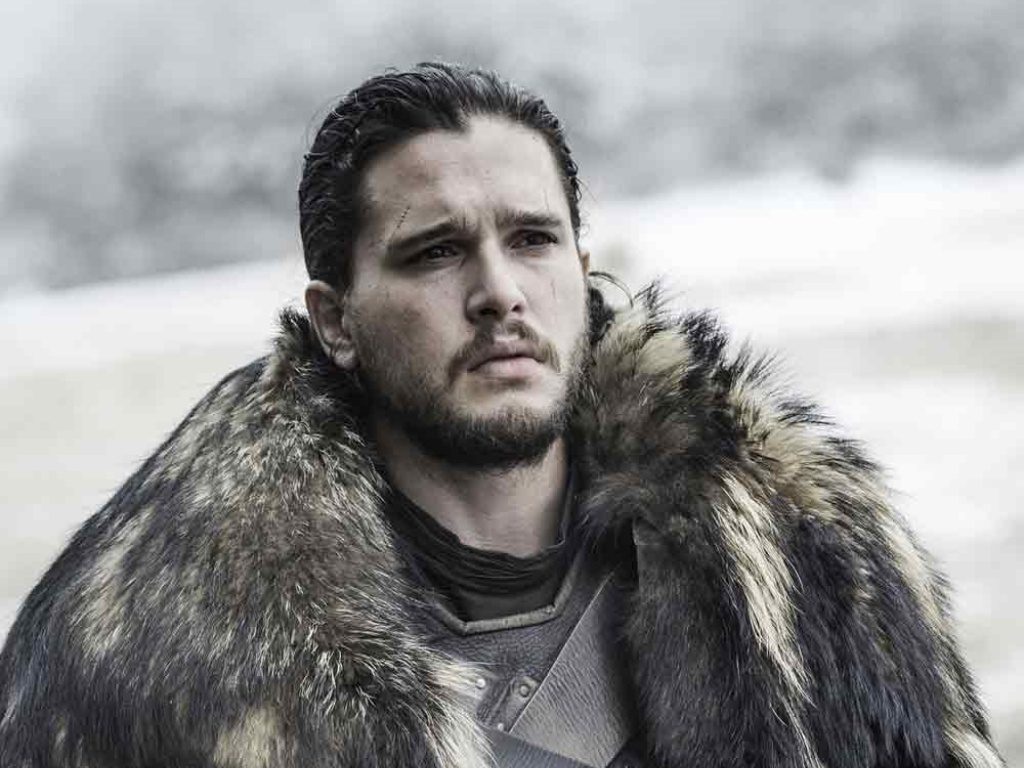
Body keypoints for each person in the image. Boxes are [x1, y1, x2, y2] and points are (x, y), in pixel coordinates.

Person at [0, 62, 1003, 768]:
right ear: (336, 321)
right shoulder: (156, 657)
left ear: (581, 269)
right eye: (435, 252)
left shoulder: (802, 547)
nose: (498, 293)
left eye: (532, 240)